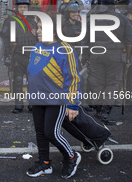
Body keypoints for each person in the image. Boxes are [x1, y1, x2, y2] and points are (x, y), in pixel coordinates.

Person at [26, 16, 81, 179]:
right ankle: (45, 164)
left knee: (51, 133)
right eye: (38, 28)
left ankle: (72, 157)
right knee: (40, 133)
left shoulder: (65, 50)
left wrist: (72, 104)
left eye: (43, 28)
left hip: (56, 100)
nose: (38, 32)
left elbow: (73, 78)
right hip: (37, 99)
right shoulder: (37, 47)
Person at [82, 0, 132, 125]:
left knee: (97, 82)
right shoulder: (122, 19)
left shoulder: (91, 19)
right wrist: (128, 59)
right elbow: (129, 43)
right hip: (115, 57)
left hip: (96, 56)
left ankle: (99, 111)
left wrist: (85, 58)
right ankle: (104, 113)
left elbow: (85, 41)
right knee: (112, 84)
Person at [1, 0, 38, 113]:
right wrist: (7, 56)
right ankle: (19, 104)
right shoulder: (10, 21)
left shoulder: (34, 22)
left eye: (25, 7)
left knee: (32, 82)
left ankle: (32, 104)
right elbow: (5, 41)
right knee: (17, 81)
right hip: (17, 56)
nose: (23, 9)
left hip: (32, 56)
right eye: (21, 7)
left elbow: (41, 39)